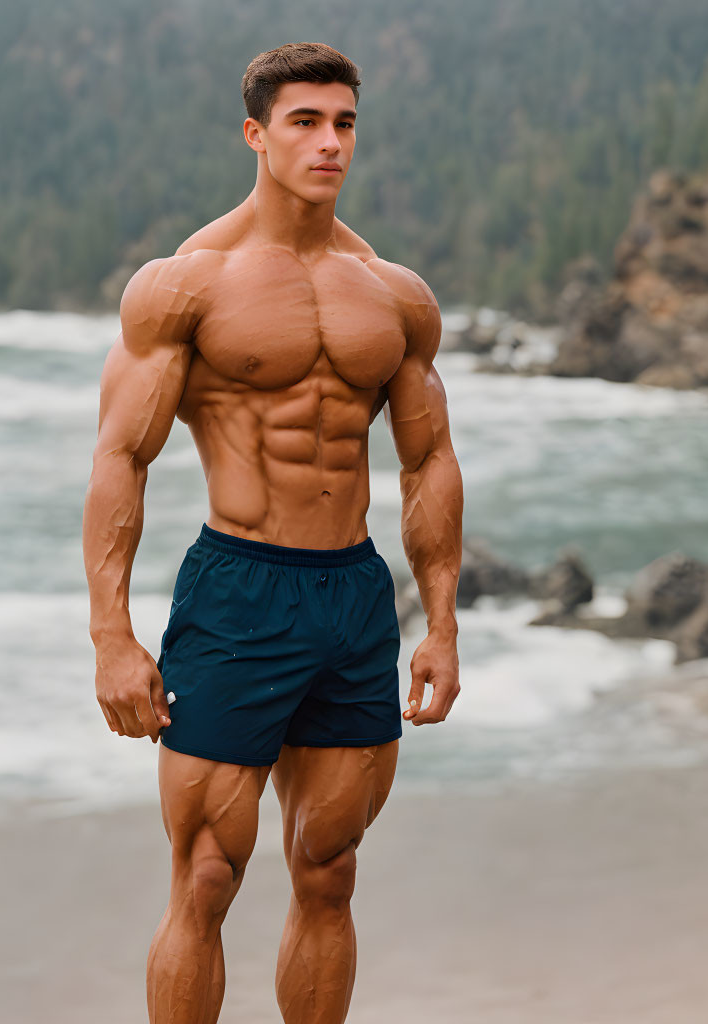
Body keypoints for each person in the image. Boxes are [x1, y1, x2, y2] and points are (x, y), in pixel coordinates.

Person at [82, 40, 463, 1024]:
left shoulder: (394, 294)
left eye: (343, 123)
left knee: (327, 866)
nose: (329, 142)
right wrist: (112, 636)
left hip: (350, 596)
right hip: (236, 590)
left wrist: (443, 624)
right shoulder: (187, 284)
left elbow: (429, 461)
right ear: (256, 134)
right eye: (305, 121)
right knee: (207, 870)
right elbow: (122, 457)